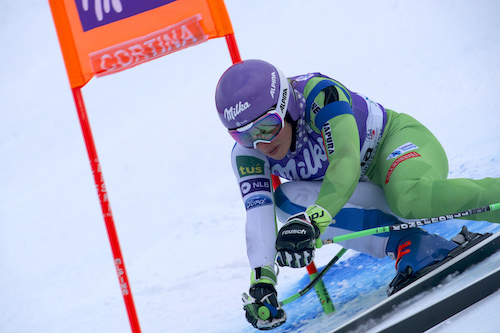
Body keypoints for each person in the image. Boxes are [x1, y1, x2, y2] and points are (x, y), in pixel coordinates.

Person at [214, 59, 500, 330]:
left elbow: (345, 161)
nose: (261, 143)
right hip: (360, 190)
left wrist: (313, 222)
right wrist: (263, 281)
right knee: (286, 202)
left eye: (267, 127)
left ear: (287, 106)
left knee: (409, 198)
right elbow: (258, 212)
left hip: (395, 146)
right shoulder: (247, 154)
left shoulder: (320, 95)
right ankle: (414, 244)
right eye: (244, 135)